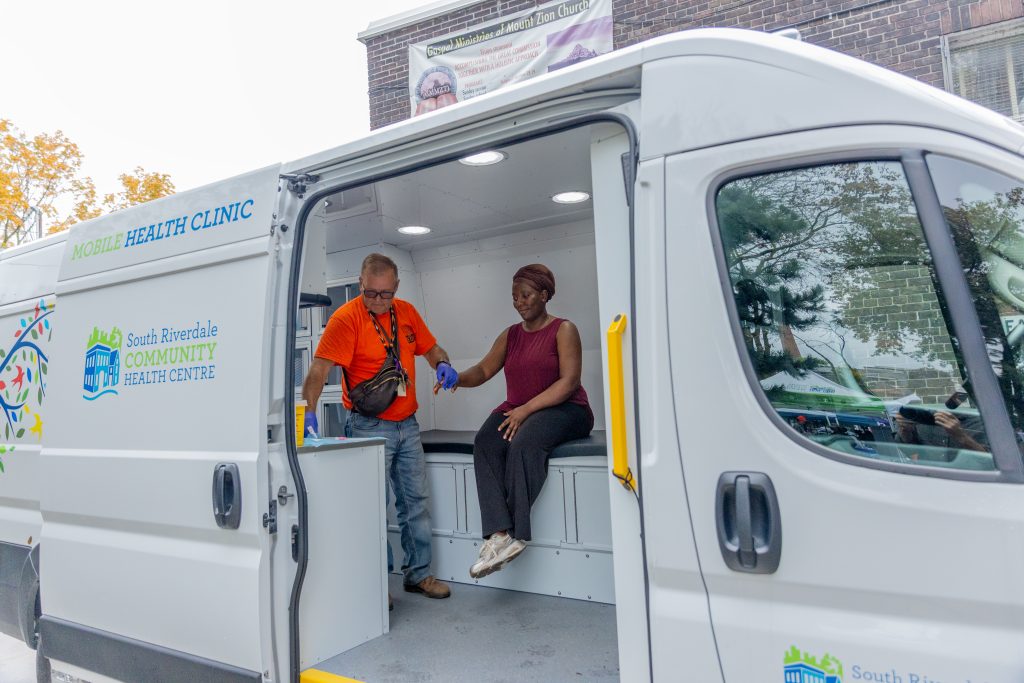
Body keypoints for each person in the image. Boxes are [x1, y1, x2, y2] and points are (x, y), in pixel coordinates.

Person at [302, 253, 460, 603]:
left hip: (408, 424)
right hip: (367, 426)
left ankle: (418, 575)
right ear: (361, 284)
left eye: (385, 294)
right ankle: (375, 584)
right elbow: (318, 370)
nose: (377, 300)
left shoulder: (406, 313)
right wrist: (308, 411)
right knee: (371, 507)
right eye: (370, 292)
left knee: (415, 503)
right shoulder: (346, 319)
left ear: (396, 287)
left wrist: (442, 364)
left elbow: (432, 348)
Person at [455, 264, 593, 579]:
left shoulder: (564, 329)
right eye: (515, 297)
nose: (519, 302)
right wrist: (456, 378)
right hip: (522, 408)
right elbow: (483, 370)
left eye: (526, 295)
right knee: (486, 441)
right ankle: (499, 535)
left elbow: (569, 382)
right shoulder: (511, 335)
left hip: (567, 408)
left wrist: (526, 410)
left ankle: (517, 535)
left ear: (544, 294)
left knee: (523, 443)